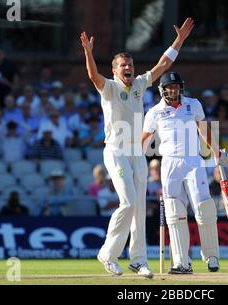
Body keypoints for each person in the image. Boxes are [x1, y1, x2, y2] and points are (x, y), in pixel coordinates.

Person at [80, 17, 194, 278]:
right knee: (128, 201)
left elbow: (163, 64)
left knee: (139, 206)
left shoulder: (141, 84)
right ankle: (108, 254)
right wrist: (88, 53)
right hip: (116, 151)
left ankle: (138, 259)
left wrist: (180, 40)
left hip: (137, 153)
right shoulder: (109, 87)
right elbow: (92, 76)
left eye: (130, 64)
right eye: (122, 65)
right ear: (115, 70)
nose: (127, 67)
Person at [142, 71, 228, 274]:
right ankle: (182, 262)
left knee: (204, 208)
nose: (173, 90)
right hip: (169, 163)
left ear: (181, 87)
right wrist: (133, 156)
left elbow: (204, 129)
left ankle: (211, 256)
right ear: (162, 90)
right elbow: (144, 139)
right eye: (169, 87)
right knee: (174, 213)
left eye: (176, 87)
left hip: (193, 161)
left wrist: (215, 151)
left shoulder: (193, 104)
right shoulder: (154, 112)